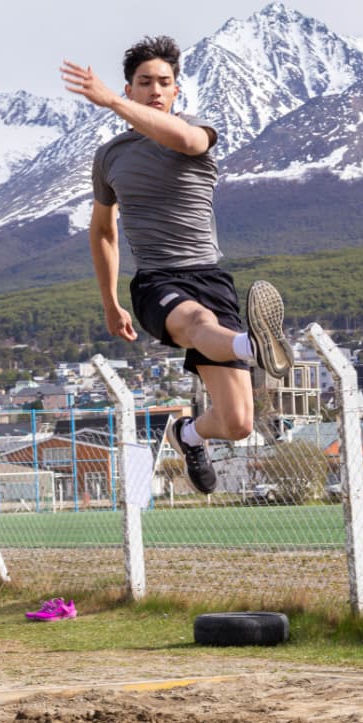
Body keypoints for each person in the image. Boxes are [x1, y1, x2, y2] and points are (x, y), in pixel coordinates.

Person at [61, 35, 293, 494]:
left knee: (239, 423)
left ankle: (186, 435)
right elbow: (104, 231)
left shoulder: (198, 131)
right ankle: (252, 345)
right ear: (130, 89)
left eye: (164, 82)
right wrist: (110, 302)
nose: (155, 90)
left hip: (210, 274)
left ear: (176, 91)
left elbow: (185, 139)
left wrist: (108, 101)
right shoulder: (110, 157)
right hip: (157, 282)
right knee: (197, 321)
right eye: (144, 82)